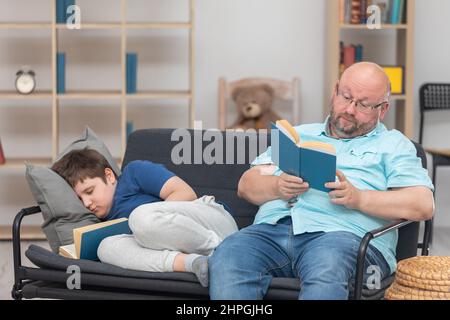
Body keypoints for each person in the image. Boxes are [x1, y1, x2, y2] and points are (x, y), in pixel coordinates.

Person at [209, 62, 435, 299]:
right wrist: (277, 186)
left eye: (364, 105)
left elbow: (423, 204)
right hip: (271, 232)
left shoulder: (394, 145)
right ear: (335, 90)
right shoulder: (298, 134)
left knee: (328, 261)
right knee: (230, 253)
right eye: (345, 97)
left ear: (383, 109)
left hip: (343, 239)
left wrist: (359, 198)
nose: (350, 109)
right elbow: (246, 185)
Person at [51, 148, 238, 287]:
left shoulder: (134, 173)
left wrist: (141, 225)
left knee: (139, 217)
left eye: (89, 191)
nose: (87, 203)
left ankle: (224, 252)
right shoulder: (104, 224)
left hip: (211, 221)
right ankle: (193, 263)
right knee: (105, 248)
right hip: (185, 246)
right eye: (80, 199)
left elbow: (186, 193)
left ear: (109, 176)